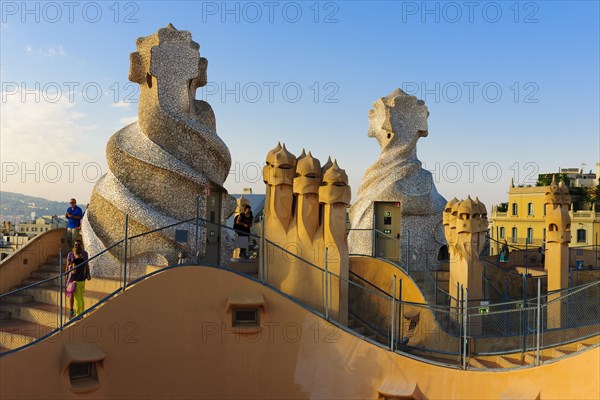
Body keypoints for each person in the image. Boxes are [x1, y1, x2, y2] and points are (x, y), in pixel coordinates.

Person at [68, 246, 91, 318]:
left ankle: (78, 315)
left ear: (74, 253)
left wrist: (70, 269)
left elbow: (74, 271)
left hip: (76, 281)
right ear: (81, 252)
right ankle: (82, 312)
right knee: (81, 297)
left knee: (77, 298)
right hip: (82, 281)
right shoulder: (83, 260)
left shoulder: (74, 261)